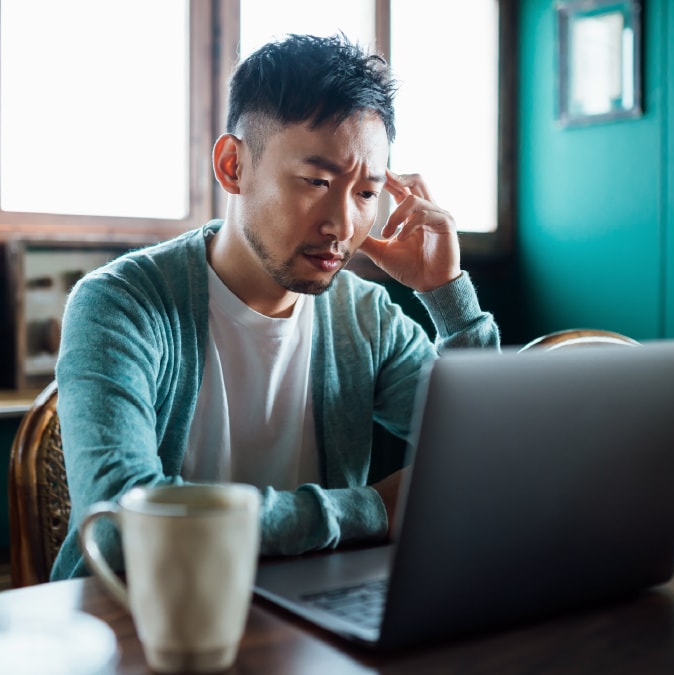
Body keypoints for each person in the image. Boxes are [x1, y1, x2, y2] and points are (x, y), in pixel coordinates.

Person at [50, 33, 500, 580]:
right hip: (138, 623)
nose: (341, 226)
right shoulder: (120, 304)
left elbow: (490, 459)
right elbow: (123, 527)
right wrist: (374, 508)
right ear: (233, 165)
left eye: (365, 194)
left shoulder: (367, 317)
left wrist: (446, 295)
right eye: (316, 181)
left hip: (312, 626)